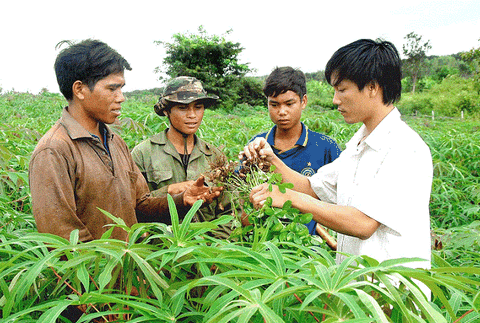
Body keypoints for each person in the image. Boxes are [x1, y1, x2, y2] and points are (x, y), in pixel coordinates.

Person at [243, 39, 433, 270]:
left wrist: (290, 198)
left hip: (392, 289)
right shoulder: (358, 145)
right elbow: (314, 188)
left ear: (372, 87)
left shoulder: (404, 147)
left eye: (342, 90)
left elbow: (363, 223)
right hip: (356, 284)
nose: (335, 100)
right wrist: (270, 159)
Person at [29, 40, 221, 242]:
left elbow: (141, 206)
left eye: (121, 88)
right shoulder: (54, 150)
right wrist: (105, 271)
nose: (121, 98)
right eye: (112, 89)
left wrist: (182, 200)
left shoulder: (115, 142)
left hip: (131, 267)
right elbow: (63, 236)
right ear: (79, 90)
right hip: (99, 271)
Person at [132, 76, 233, 238]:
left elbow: (229, 212)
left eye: (198, 107)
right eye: (183, 108)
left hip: (207, 251)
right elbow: (133, 207)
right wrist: (170, 192)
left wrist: (215, 248)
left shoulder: (215, 156)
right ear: (166, 110)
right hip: (161, 250)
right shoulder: (143, 153)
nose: (192, 115)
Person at [248, 66, 341, 235]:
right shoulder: (257, 146)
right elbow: (243, 207)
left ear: (303, 101)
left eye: (289, 104)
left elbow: (340, 202)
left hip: (309, 247)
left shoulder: (326, 147)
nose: (281, 112)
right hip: (263, 244)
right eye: (274, 105)